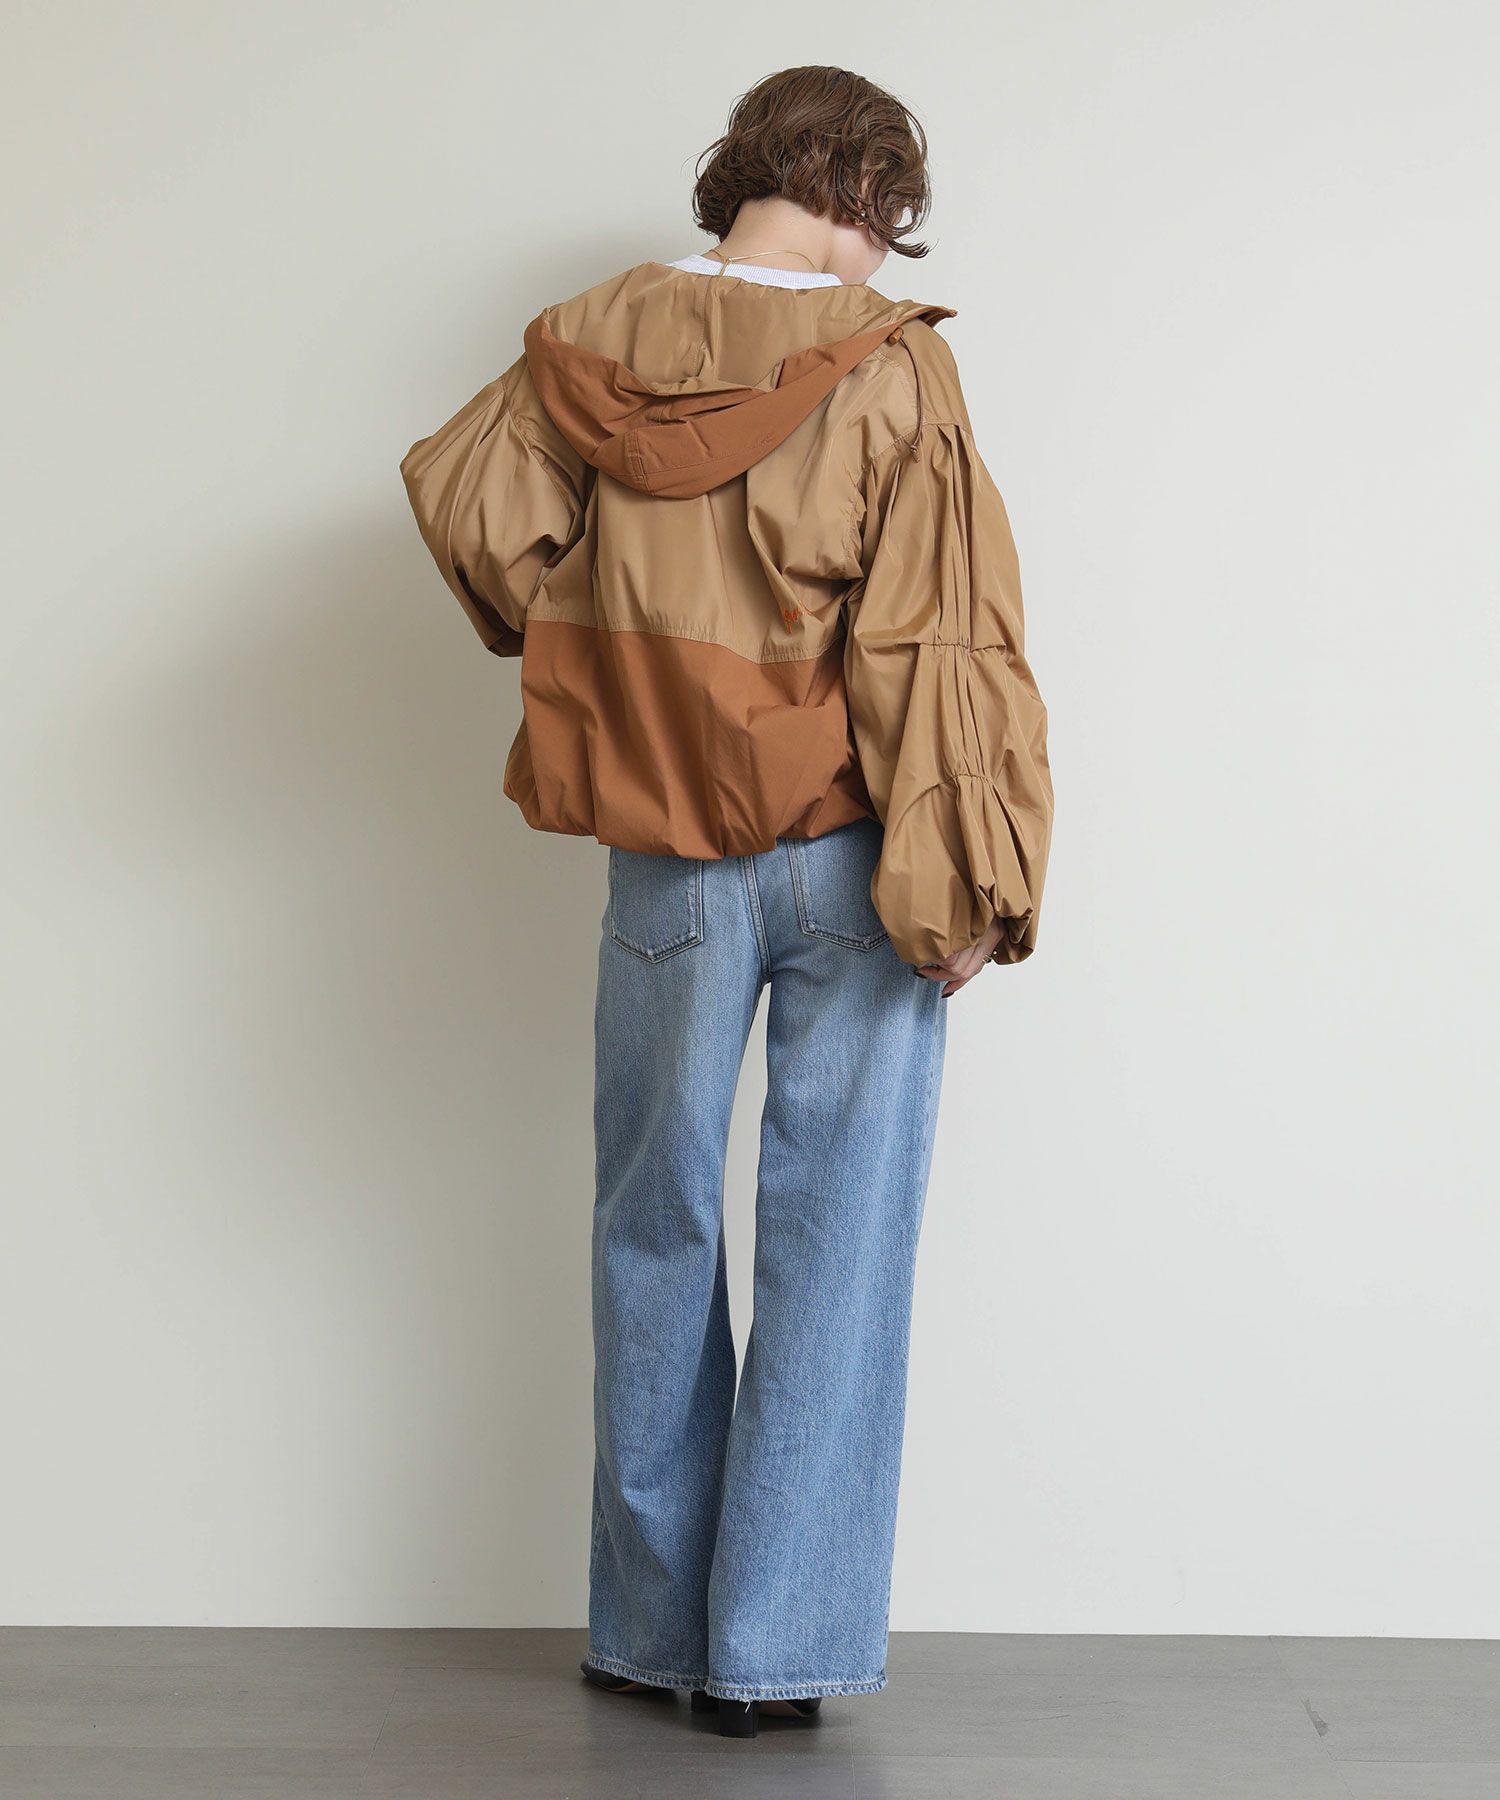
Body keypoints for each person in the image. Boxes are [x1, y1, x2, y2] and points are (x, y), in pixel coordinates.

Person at [400, 64, 1054, 1740]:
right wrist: (974, 882)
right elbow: (934, 638)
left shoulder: (587, 341)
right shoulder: (893, 367)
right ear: (861, 196)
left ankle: (644, 1632)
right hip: (853, 860)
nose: (883, 257)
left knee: (654, 1222)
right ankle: (769, 1658)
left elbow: (476, 519)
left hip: (665, 859)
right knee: (840, 1244)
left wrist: (617, 635)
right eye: (889, 222)